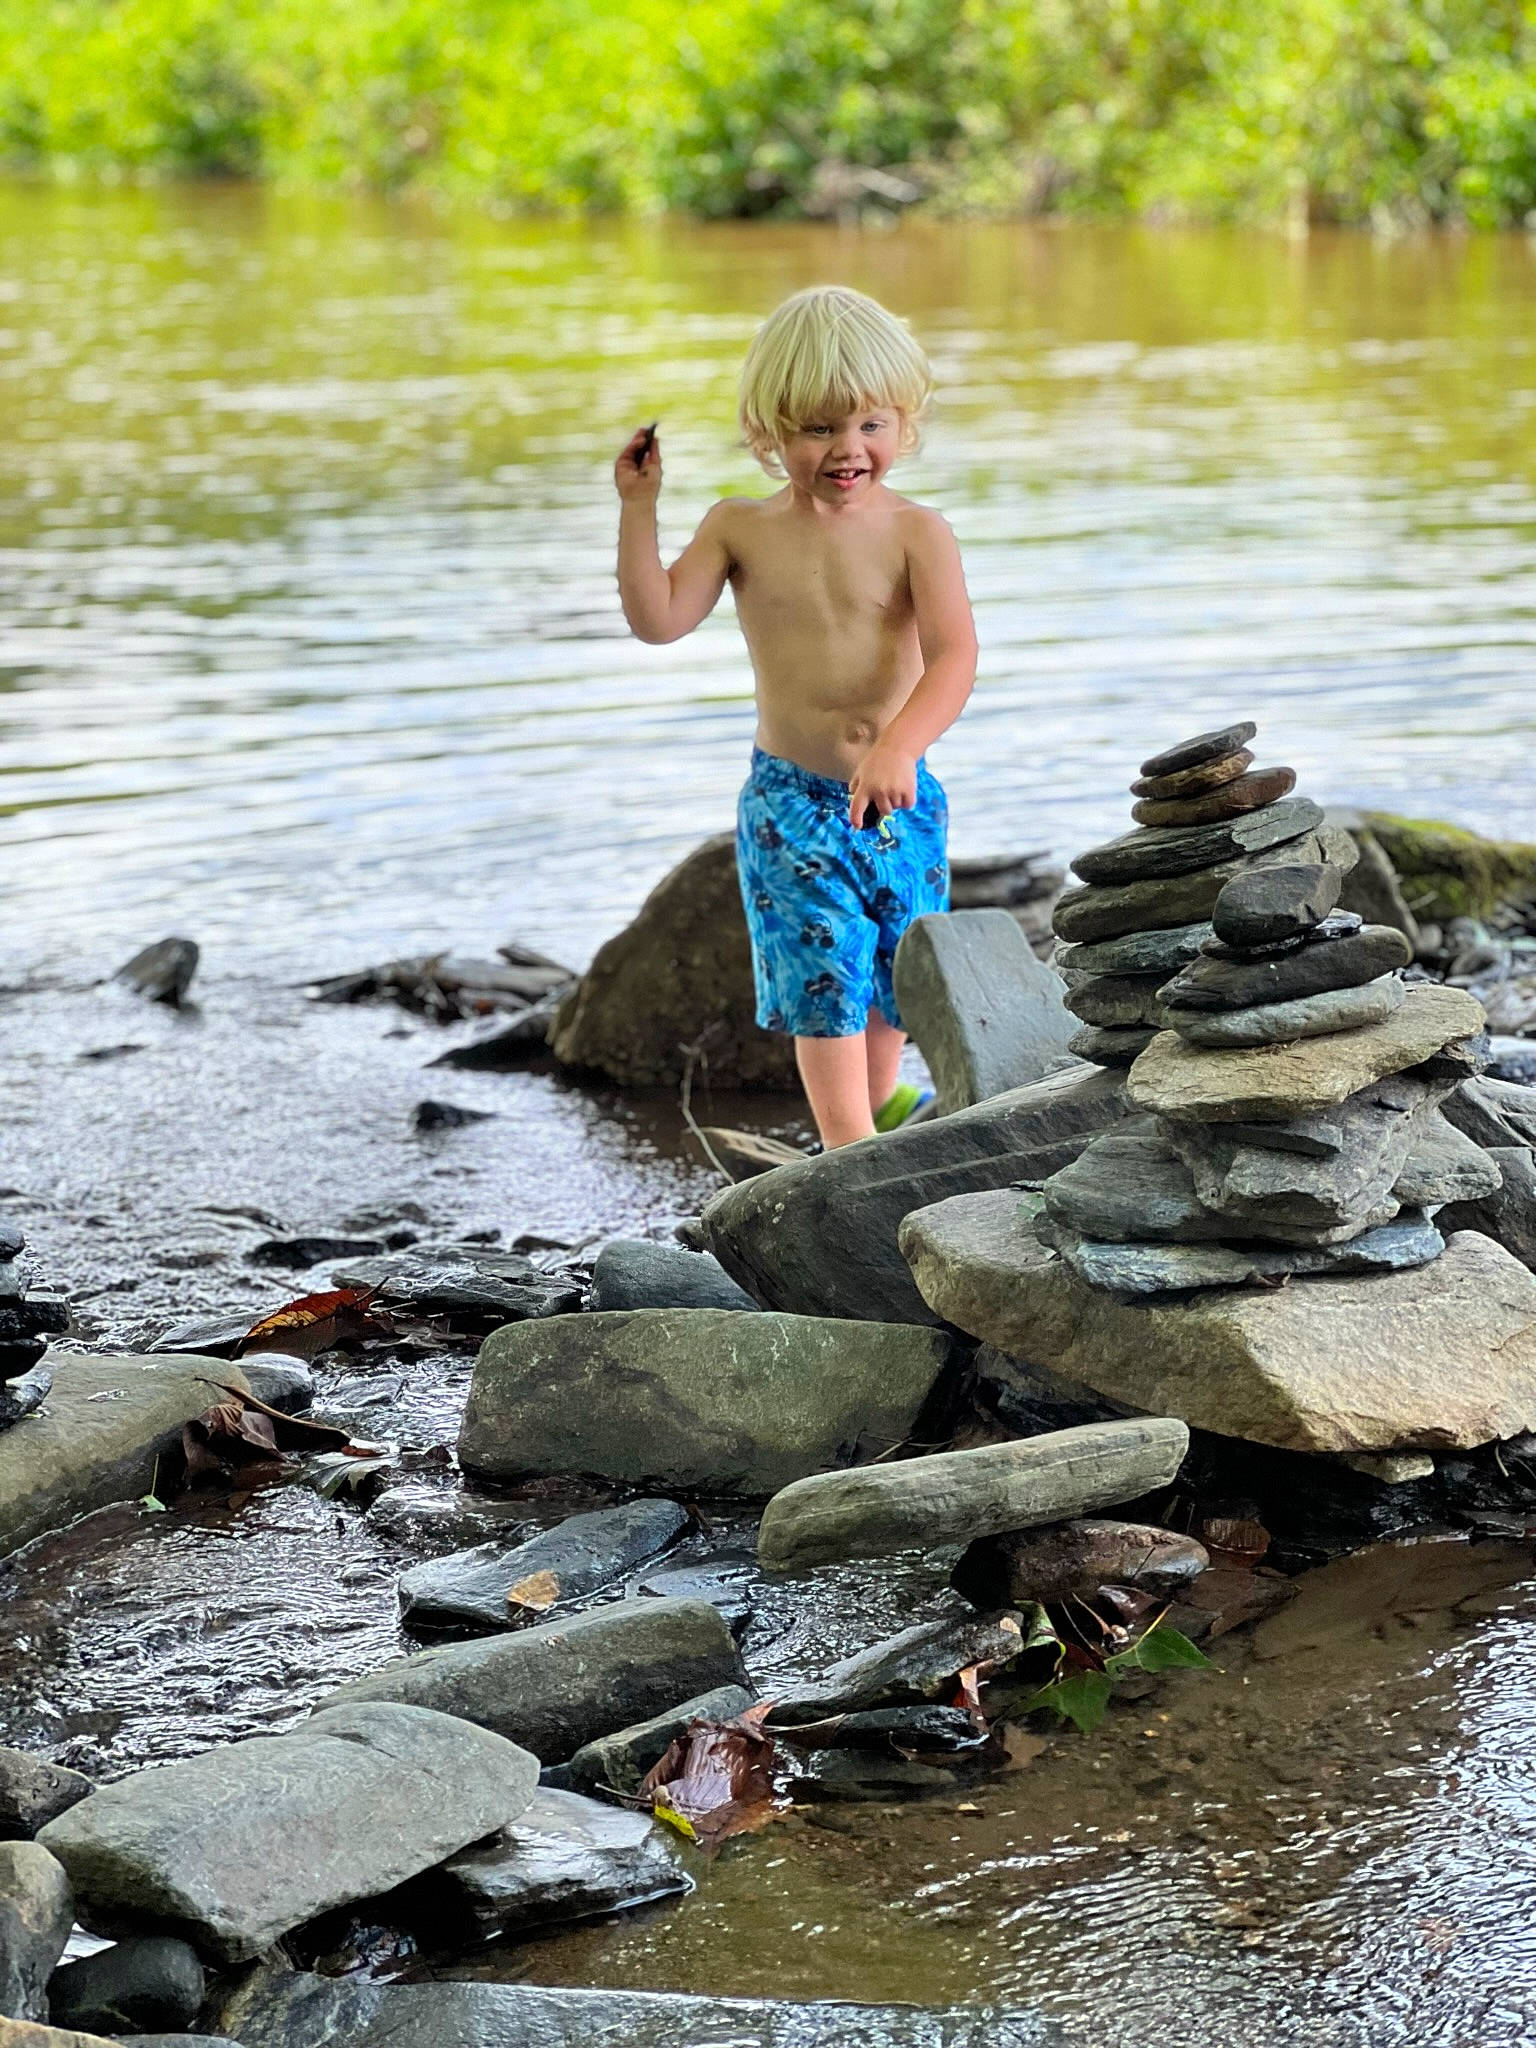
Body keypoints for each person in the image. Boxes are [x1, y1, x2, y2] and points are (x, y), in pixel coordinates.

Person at [613, 284, 977, 1148]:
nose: (849, 449)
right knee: (825, 979)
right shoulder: (741, 529)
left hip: (900, 790)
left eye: (870, 425)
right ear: (770, 431)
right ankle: (849, 1153)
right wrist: (638, 510)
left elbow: (956, 656)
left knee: (900, 965)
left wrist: (900, 745)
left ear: (904, 422)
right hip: (792, 803)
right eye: (819, 429)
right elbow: (658, 620)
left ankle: (883, 1103)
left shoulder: (919, 533)